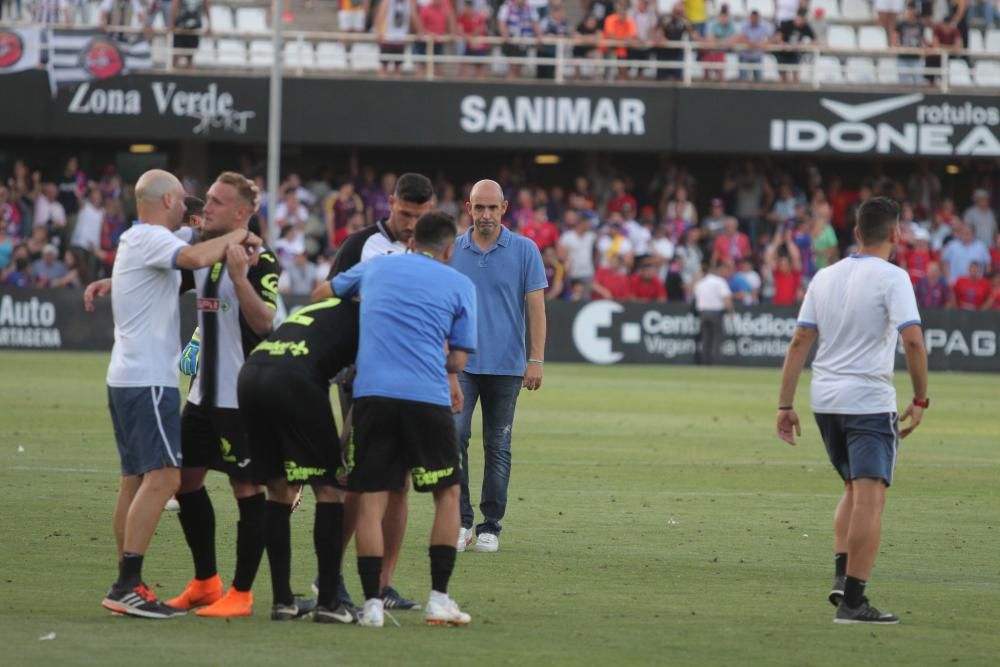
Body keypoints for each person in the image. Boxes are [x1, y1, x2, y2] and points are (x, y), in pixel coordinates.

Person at [84, 169, 262, 619]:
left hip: (124, 376)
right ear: (166, 202)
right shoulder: (156, 240)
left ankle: (126, 582)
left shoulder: (137, 239)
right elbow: (195, 257)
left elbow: (185, 250)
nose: (192, 209)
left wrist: (113, 283)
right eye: (185, 201)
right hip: (147, 380)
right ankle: (128, 583)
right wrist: (243, 232)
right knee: (165, 477)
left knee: (135, 480)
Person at [776, 196, 928, 625]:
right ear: (896, 234)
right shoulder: (894, 278)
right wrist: (920, 399)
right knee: (871, 497)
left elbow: (799, 342)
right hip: (867, 401)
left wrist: (785, 404)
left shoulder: (825, 276)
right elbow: (913, 340)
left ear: (857, 233)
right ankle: (855, 603)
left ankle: (843, 579)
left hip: (825, 401)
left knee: (851, 488)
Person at [330, 212, 478, 627]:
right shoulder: (460, 284)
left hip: (373, 396)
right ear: (450, 249)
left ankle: (372, 605)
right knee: (446, 494)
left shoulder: (377, 266)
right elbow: (459, 358)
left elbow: (327, 289)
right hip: (426, 398)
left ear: (413, 242)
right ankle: (438, 598)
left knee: (372, 497)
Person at [161, 173, 281, 619]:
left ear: (241, 212)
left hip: (241, 402)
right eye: (207, 199)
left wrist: (239, 276)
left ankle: (242, 593)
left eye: (216, 201)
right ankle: (205, 582)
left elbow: (265, 322)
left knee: (246, 489)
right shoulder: (200, 251)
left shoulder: (261, 259)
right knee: (185, 483)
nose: (205, 206)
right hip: (200, 399)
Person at [317, 172, 436, 612]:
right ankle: (330, 574)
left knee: (400, 485)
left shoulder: (438, 250)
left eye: (420, 216)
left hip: (414, 383)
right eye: (405, 214)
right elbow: (330, 301)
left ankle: (383, 584)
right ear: (390, 204)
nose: (411, 223)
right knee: (358, 483)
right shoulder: (361, 246)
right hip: (361, 377)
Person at [236, 295, 360, 624]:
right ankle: (331, 603)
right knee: (329, 489)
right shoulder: (371, 316)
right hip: (294, 380)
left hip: (251, 373)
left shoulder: (323, 307)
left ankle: (283, 602)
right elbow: (365, 387)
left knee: (278, 489)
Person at [450, 179, 547, 553]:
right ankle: (459, 521)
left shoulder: (525, 250)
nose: (486, 215)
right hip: (461, 363)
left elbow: (536, 308)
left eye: (492, 208)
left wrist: (534, 358)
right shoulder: (452, 249)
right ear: (468, 207)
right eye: (479, 208)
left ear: (504, 208)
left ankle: (490, 524)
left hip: (507, 366)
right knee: (454, 437)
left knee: (498, 445)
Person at [693, 262, 733, 365]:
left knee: (706, 339)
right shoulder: (719, 282)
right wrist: (730, 312)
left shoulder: (700, 283)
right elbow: (726, 298)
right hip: (716, 313)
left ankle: (705, 363)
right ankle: (716, 363)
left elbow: (696, 297)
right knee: (716, 339)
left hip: (702, 313)